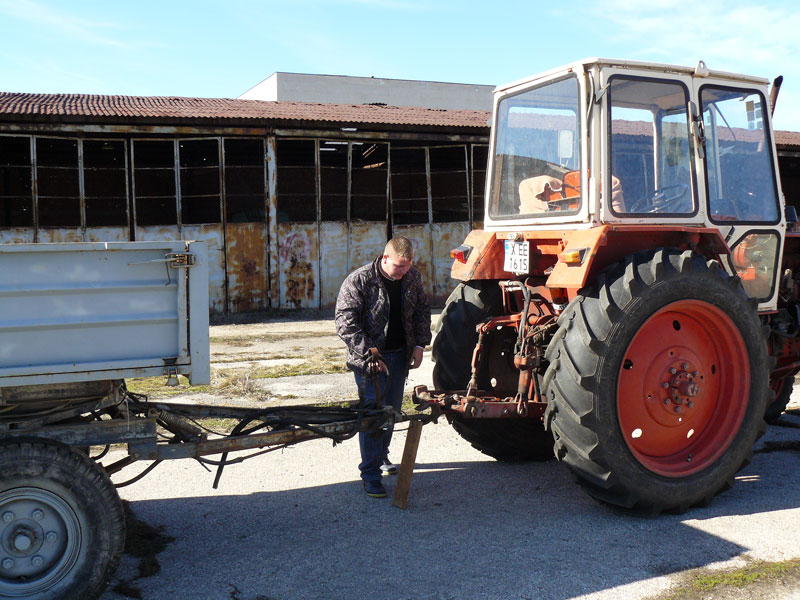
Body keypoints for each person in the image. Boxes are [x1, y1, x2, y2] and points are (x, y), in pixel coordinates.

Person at [335, 236, 431, 498]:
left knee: (392, 412)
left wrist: (421, 345)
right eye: (399, 266)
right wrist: (369, 353)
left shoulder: (412, 278)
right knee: (372, 414)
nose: (403, 272)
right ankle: (370, 474)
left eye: (408, 266)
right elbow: (345, 322)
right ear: (385, 257)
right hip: (370, 362)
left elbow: (422, 310)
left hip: (399, 356)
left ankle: (381, 456)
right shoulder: (360, 280)